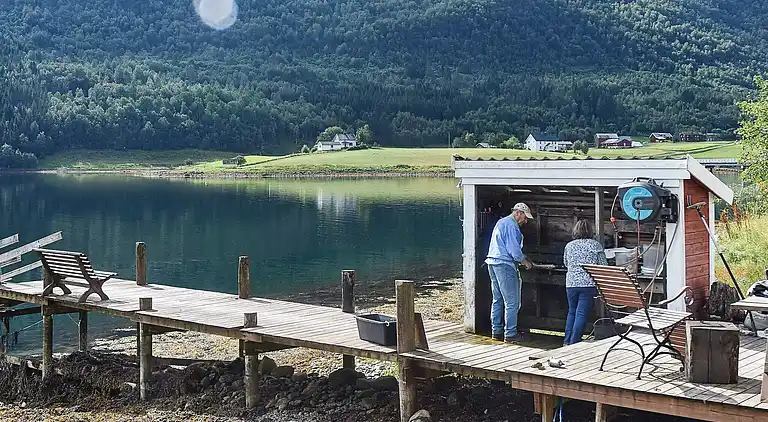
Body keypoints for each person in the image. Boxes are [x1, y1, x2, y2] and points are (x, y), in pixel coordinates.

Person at [485, 202, 534, 342]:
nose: (525, 221)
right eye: (525, 218)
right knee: (512, 302)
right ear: (518, 213)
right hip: (504, 265)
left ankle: (496, 331)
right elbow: (514, 251)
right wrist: (526, 262)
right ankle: (511, 333)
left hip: (492, 263)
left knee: (497, 299)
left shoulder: (501, 222)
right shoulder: (512, 226)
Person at [562, 219, 607, 345]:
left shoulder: (569, 246)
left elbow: (566, 263)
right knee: (581, 313)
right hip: (588, 284)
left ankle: (567, 341)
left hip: (571, 283)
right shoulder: (595, 245)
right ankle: (574, 342)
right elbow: (603, 265)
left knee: (572, 311)